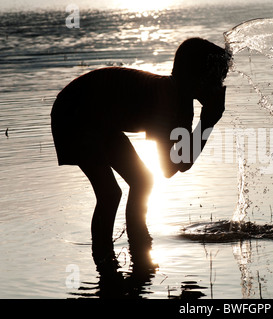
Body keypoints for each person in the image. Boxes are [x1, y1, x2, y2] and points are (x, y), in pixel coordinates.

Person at [51, 38, 231, 272]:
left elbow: (182, 164)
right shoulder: (166, 100)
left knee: (143, 182)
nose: (220, 85)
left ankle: (137, 250)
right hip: (74, 113)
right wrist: (207, 122)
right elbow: (170, 167)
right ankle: (105, 260)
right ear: (196, 78)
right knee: (110, 193)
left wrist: (207, 121)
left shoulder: (182, 103)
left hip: (99, 117)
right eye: (216, 78)